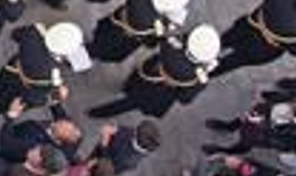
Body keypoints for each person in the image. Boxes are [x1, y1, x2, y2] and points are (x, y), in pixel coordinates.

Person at [0, 23, 83, 126]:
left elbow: (16, 34)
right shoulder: (51, 76)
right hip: (18, 89)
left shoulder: (34, 31)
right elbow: (35, 99)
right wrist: (55, 96)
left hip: (12, 69)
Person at [89, 24, 221, 119]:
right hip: (158, 92)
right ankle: (99, 113)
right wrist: (201, 80)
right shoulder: (198, 77)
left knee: (133, 83)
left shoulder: (175, 45)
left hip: (151, 70)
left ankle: (124, 89)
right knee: (127, 104)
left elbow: (162, 43)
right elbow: (184, 99)